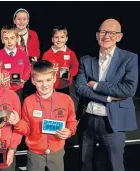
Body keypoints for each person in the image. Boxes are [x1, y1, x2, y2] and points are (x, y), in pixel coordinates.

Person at [75, 18, 138, 171]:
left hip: (112, 123)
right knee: (86, 163)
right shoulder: (86, 59)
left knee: (114, 165)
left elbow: (128, 90)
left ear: (119, 36)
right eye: (103, 32)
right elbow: (80, 88)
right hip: (88, 119)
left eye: (112, 32)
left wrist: (96, 85)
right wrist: (107, 97)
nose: (106, 36)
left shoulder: (129, 58)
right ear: (97, 35)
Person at [9, 60, 77, 171]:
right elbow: (26, 129)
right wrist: (17, 122)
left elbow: (72, 122)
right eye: (40, 81)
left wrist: (69, 131)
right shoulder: (28, 102)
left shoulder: (66, 100)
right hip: (35, 154)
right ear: (33, 81)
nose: (44, 85)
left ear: (54, 78)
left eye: (48, 80)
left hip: (57, 153)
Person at [0, 25, 31, 103]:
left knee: (17, 110)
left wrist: (24, 80)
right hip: (3, 90)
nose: (9, 41)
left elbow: (27, 68)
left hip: (18, 89)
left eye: (12, 38)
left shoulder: (22, 54)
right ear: (2, 40)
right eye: (6, 38)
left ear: (17, 39)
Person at [43, 25, 79, 95]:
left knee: (63, 104)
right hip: (50, 85)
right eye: (56, 37)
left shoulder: (70, 53)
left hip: (65, 85)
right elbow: (43, 69)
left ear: (66, 39)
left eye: (62, 37)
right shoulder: (47, 54)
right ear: (52, 39)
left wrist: (69, 73)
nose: (59, 40)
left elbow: (75, 66)